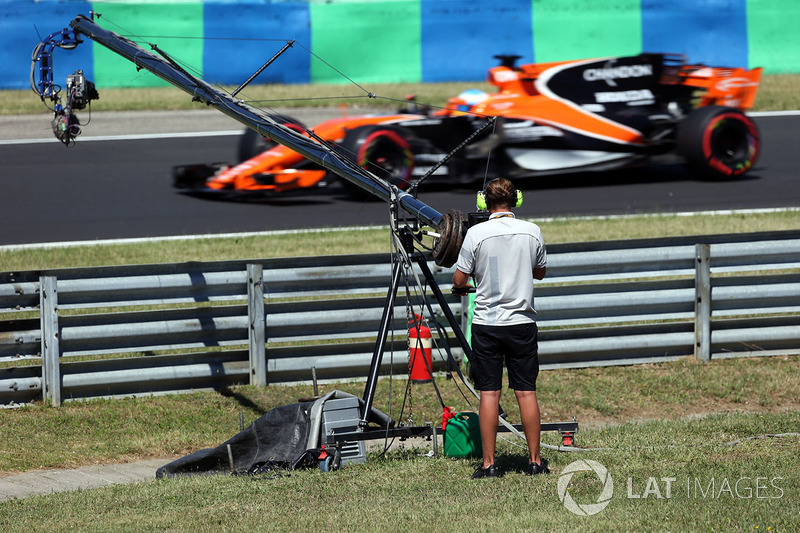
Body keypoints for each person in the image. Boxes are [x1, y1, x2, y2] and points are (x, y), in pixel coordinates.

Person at [452, 177, 548, 479]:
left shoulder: (476, 234)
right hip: (522, 324)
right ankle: (534, 462)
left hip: (488, 325)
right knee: (526, 392)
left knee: (489, 395)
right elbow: (541, 272)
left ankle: (489, 464)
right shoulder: (532, 231)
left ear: (484, 202)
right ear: (516, 200)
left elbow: (459, 280)